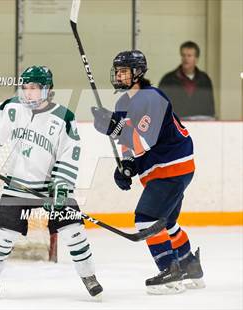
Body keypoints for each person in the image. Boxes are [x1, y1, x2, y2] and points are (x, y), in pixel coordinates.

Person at [0, 65, 103, 298]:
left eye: (34, 88)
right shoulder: (12, 108)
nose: (28, 93)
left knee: (73, 232)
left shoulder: (64, 117)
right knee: (4, 235)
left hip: (52, 188)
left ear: (47, 89)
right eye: (25, 87)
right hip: (17, 184)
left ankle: (89, 275)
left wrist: (62, 185)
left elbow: (70, 152)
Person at [91, 51, 205, 294]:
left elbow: (144, 140)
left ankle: (170, 272)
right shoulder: (123, 103)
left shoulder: (152, 98)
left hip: (171, 166)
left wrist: (112, 127)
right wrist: (127, 165)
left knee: (146, 218)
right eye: (117, 70)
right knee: (168, 222)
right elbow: (129, 142)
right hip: (166, 167)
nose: (119, 75)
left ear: (138, 72)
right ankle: (189, 266)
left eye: (124, 70)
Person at [159, 41, 215, 119]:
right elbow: (160, 106)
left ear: (196, 59)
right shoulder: (168, 79)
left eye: (189, 56)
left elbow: (210, 108)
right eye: (183, 55)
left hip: (201, 125)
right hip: (176, 125)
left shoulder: (205, 79)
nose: (186, 58)